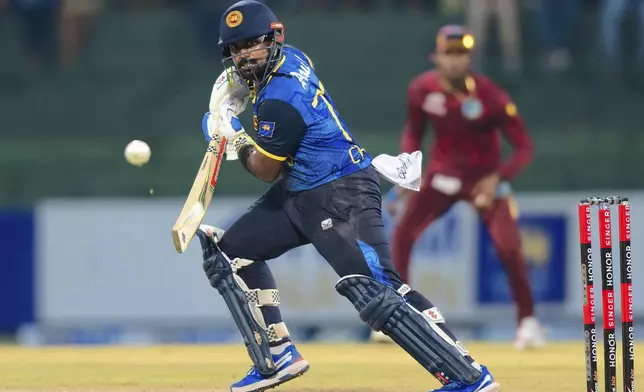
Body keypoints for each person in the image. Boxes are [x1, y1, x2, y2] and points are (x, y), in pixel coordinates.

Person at [197, 2, 501, 392]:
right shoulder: (289, 58)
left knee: (376, 292)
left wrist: (231, 137)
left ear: (275, 38)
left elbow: (264, 168)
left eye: (251, 45)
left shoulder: (282, 97)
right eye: (235, 49)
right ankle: (276, 356)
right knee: (229, 252)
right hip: (300, 192)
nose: (243, 56)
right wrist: (234, 97)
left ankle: (469, 376)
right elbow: (249, 82)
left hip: (342, 192)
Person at [377, 25, 545, 350]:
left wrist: (500, 177)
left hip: (484, 181)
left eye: (461, 54)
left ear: (470, 57)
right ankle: (399, 317)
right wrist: (406, 178)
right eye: (449, 54)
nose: (455, 61)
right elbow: (414, 132)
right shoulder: (422, 90)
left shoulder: (491, 96)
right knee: (402, 235)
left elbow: (524, 147)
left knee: (509, 246)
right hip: (440, 177)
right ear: (436, 57)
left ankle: (528, 321)